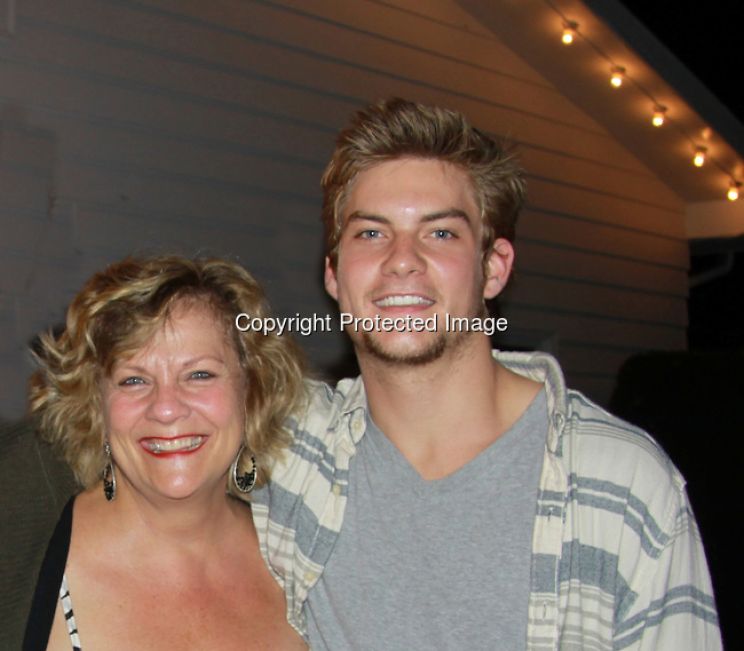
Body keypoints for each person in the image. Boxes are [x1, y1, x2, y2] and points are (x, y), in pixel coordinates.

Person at [251, 99, 722, 649]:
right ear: (333, 274)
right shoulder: (289, 452)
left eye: (441, 233)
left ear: (493, 268)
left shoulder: (621, 484)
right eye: (371, 233)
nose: (401, 259)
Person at [23, 255, 307, 650]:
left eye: (199, 374)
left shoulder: (309, 561)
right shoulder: (19, 557)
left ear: (251, 389)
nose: (167, 408)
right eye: (134, 380)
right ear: (95, 402)